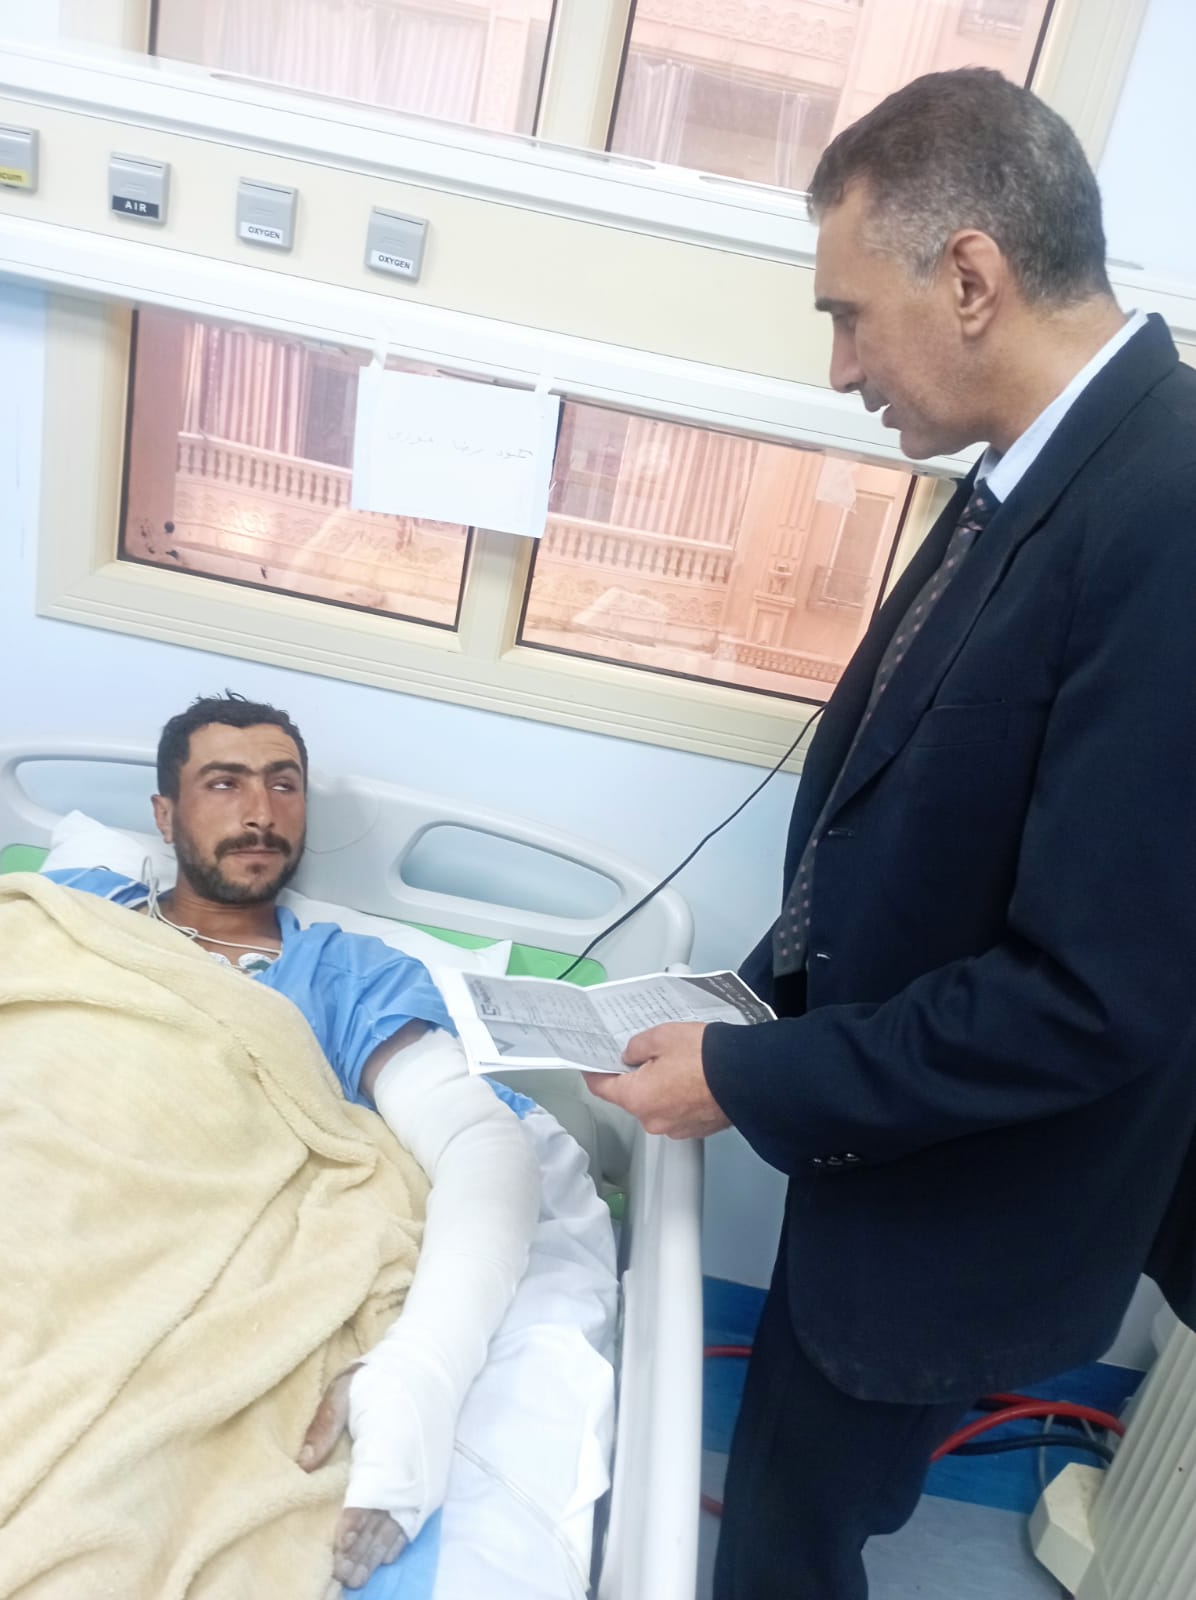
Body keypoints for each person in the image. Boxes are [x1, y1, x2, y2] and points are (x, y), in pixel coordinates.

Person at [585, 67, 1196, 1599]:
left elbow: (1092, 995)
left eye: (851, 316)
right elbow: (921, 817)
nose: (843, 366)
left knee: (786, 1544)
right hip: (889, 1131)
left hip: (966, 1197)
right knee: (788, 1510)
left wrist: (752, 1075)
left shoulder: (1172, 512)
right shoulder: (1035, 471)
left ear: (971, 278)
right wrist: (750, 1000)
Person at [47, 691, 540, 1593]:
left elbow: (483, 1144)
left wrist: (422, 1369)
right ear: (164, 814)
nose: (261, 813)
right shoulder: (68, 911)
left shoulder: (344, 975)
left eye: (284, 784)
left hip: (165, 1248)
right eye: (223, 783)